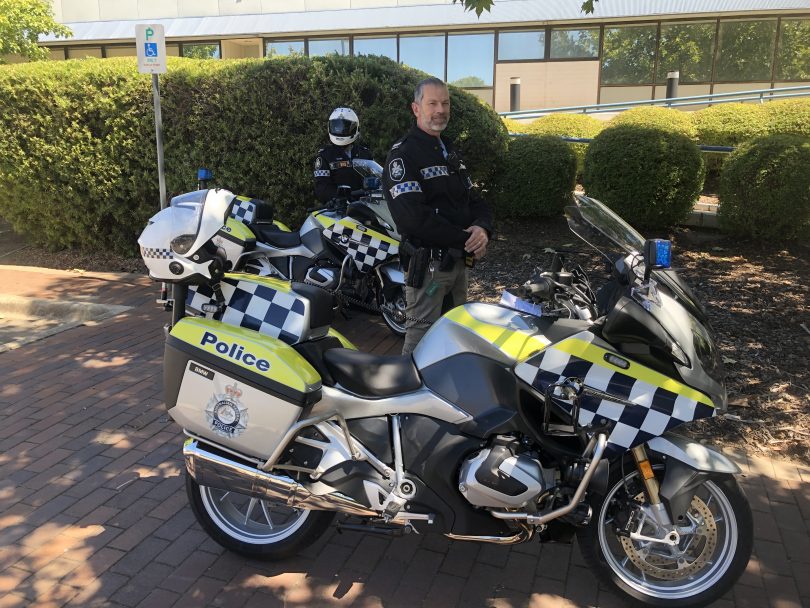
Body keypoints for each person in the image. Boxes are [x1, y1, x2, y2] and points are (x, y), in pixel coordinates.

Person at [383, 77, 493, 355]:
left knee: (455, 334)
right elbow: (413, 219)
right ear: (416, 108)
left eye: (445, 103)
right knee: (420, 342)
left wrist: (482, 229)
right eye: (432, 103)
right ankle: (405, 395)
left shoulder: (449, 150)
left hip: (457, 264)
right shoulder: (404, 155)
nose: (440, 109)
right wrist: (465, 240)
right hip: (429, 268)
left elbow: (474, 199)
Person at [313, 107, 375, 205]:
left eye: (345, 127)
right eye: (336, 126)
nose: (340, 130)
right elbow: (322, 188)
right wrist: (340, 198)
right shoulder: (325, 156)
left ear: (356, 128)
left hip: (366, 207)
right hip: (338, 209)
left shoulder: (365, 154)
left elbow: (375, 180)